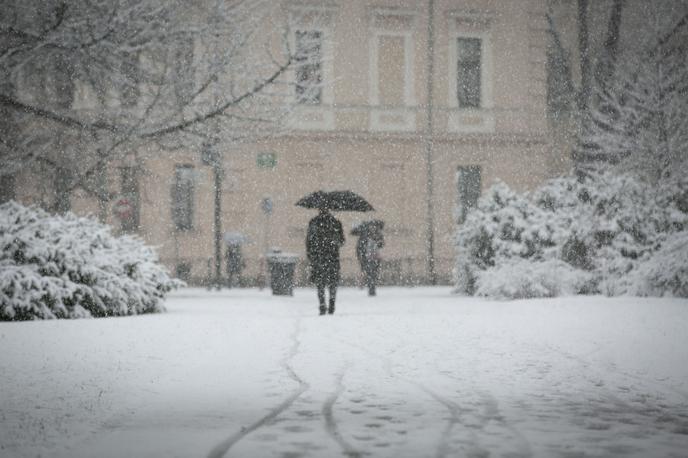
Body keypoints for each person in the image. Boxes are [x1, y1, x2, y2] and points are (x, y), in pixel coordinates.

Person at [306, 207, 344, 315]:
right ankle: (330, 304)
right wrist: (333, 241)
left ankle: (323, 305)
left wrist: (310, 255)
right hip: (332, 257)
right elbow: (341, 241)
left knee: (320, 283)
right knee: (332, 282)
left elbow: (309, 241)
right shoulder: (336, 223)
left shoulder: (314, 223)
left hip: (319, 257)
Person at [355, 225, 384, 296]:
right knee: (370, 273)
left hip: (375, 258)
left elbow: (381, 244)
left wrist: (378, 241)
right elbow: (359, 248)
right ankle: (371, 288)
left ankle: (371, 287)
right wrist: (361, 257)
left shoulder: (377, 236)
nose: (372, 229)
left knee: (373, 273)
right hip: (368, 258)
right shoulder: (363, 238)